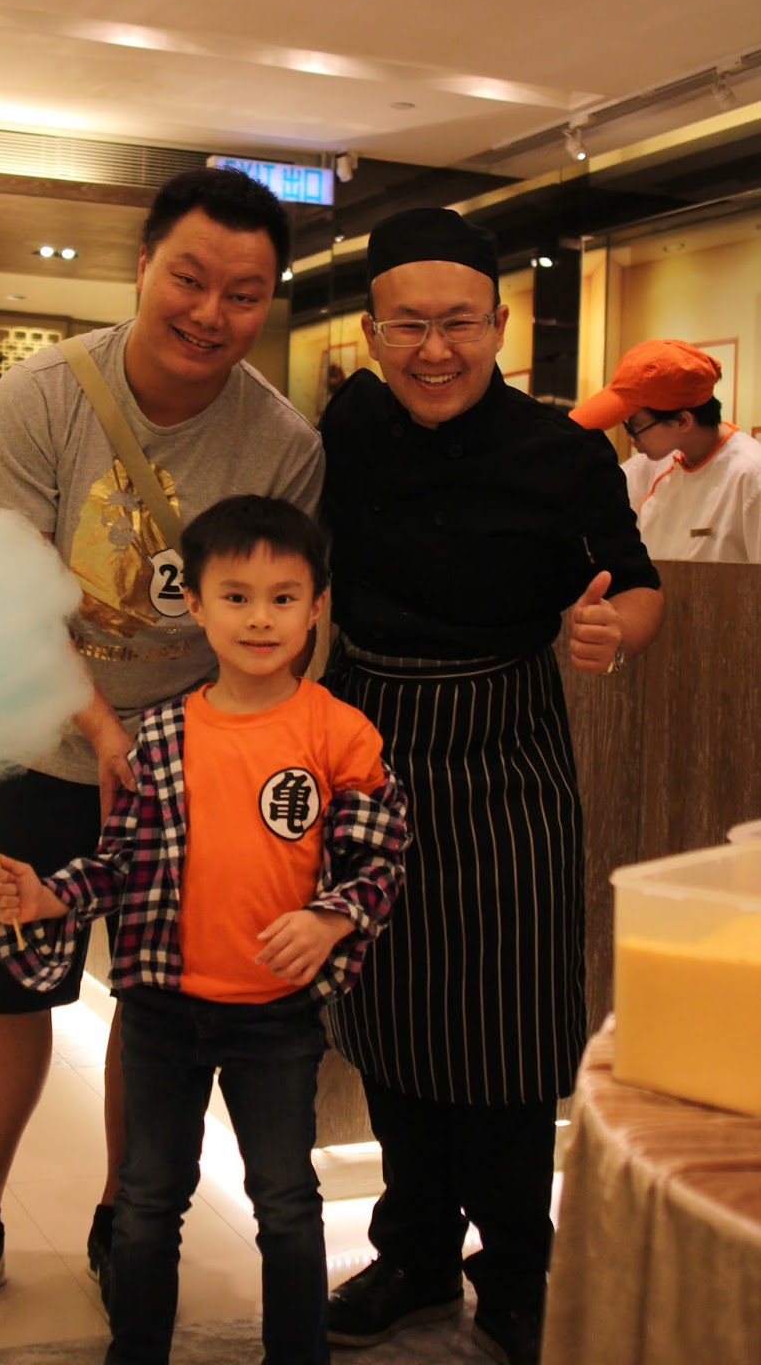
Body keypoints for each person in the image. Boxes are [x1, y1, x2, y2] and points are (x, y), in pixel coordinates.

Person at [0, 169, 324, 1333]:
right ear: (142, 267)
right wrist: (107, 729)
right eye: (189, 279)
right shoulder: (43, 395)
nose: (210, 312)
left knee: (156, 1002)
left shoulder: (281, 441)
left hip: (187, 772)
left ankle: (129, 1220)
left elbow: (271, 618)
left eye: (242, 294)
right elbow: (5, 596)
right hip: (38, 748)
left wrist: (212, 753)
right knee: (11, 984)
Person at [318, 207, 664, 1365]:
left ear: (500, 324)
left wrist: (613, 628)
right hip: (370, 745)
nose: (434, 350)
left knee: (509, 1026)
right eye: (408, 325)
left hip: (507, 748)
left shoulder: (561, 451)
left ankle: (518, 1268)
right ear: (371, 332)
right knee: (388, 1007)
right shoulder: (347, 425)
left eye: (458, 323)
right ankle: (412, 1252)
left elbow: (639, 584)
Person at [0, 494, 411, 1365]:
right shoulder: (161, 736)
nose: (260, 618)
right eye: (236, 596)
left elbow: (381, 860)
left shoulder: (340, 733)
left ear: (317, 607)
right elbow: (119, 864)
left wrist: (329, 919)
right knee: (147, 1201)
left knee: (287, 1204)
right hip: (160, 1013)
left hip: (278, 1019)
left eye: (283, 598)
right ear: (197, 605)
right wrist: (46, 898)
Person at [570, 338, 761, 562]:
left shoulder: (750, 475)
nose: (630, 438)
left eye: (634, 426)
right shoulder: (648, 467)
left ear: (682, 421)